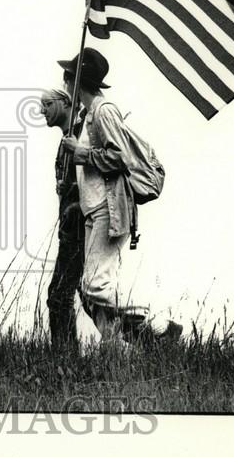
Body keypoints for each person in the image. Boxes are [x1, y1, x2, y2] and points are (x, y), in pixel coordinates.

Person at [58, 49, 182, 347]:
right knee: (91, 294)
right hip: (93, 210)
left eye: (67, 80)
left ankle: (160, 327)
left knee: (95, 287)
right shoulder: (87, 116)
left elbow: (119, 157)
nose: (63, 87)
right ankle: (115, 354)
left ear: (76, 82)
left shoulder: (104, 111)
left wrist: (81, 153)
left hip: (108, 210)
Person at [41, 88, 84, 348]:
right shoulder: (66, 140)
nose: (41, 110)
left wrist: (76, 205)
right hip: (69, 229)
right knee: (90, 299)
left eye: (46, 104)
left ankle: (65, 360)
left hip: (80, 226)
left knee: (59, 295)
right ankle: (154, 337)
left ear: (66, 103)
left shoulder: (81, 135)